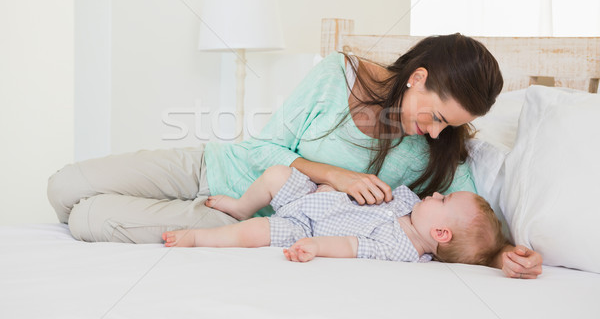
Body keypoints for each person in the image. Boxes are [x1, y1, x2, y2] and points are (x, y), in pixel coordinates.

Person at [47, 33, 543, 278]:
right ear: (418, 77)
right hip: (217, 166)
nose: (436, 134)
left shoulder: (440, 150)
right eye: (436, 115)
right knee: (63, 188)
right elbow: (266, 148)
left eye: (449, 126)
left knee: (88, 218)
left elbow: (466, 217)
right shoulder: (337, 74)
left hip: (250, 220)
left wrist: (502, 255)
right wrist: (340, 176)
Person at [162, 165, 507, 266]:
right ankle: (240, 205)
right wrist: (335, 190)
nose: (435, 193)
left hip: (305, 225)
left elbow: (349, 245)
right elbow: (362, 193)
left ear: (441, 234)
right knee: (276, 175)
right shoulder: (409, 203)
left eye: (443, 200)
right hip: (314, 197)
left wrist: (314, 245)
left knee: (253, 233)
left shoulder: (400, 248)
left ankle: (198, 238)